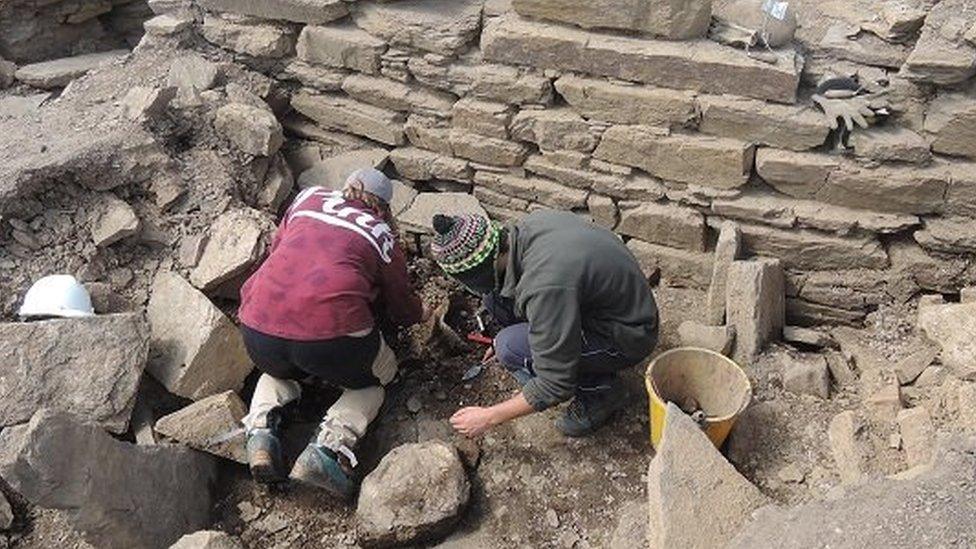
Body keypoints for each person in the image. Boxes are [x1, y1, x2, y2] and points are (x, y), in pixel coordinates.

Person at [238, 168, 425, 498]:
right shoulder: (382, 234)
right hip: (329, 337)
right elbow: (401, 309)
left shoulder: (308, 198)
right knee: (378, 380)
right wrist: (420, 312)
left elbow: (278, 247)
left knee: (277, 369)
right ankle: (326, 450)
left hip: (257, 324)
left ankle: (261, 433)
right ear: (383, 207)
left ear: (346, 186)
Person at [430, 210, 659, 438]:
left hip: (629, 333)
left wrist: (489, 416)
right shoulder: (526, 228)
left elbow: (555, 383)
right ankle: (559, 355)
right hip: (606, 303)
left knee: (509, 347)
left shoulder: (545, 286)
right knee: (495, 300)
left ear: (477, 273)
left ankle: (600, 393)